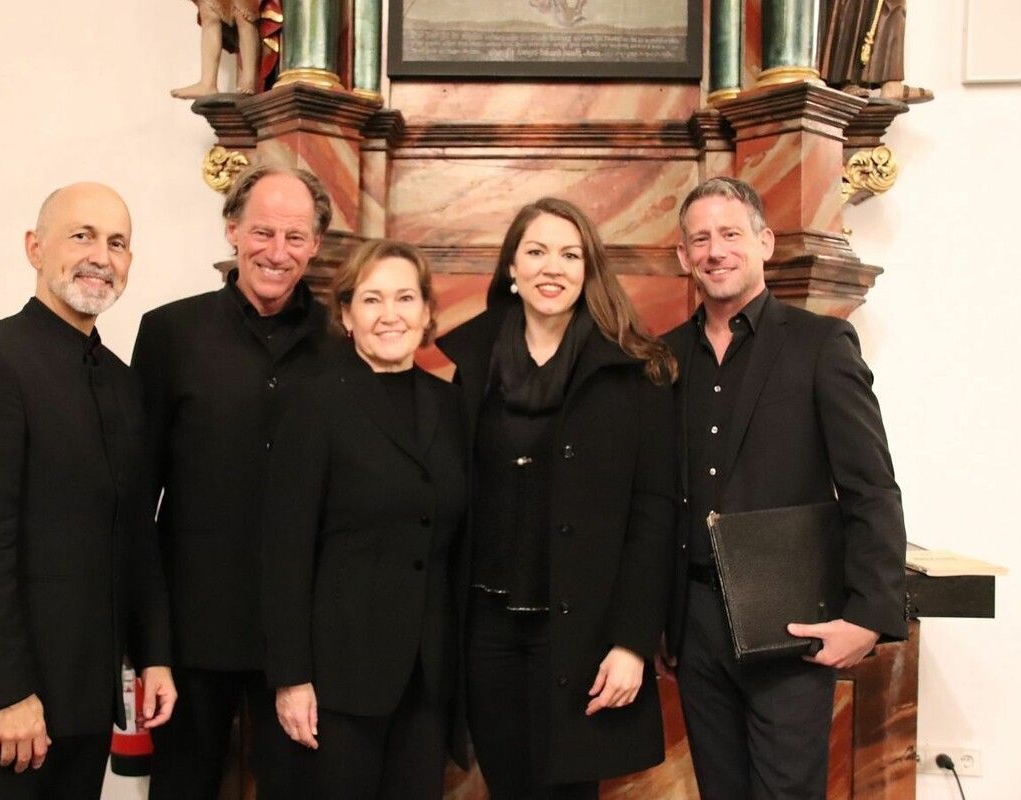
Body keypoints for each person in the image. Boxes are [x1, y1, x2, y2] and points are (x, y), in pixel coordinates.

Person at [0, 182, 176, 800]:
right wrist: (5, 693)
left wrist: (154, 655)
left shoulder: (121, 381)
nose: (101, 255)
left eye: (117, 243)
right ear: (36, 248)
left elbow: (133, 532)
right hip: (5, 712)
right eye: (81, 235)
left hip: (84, 707)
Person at [662, 176, 907, 799]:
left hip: (793, 622)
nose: (715, 250)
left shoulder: (820, 344)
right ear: (684, 256)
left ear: (764, 242)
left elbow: (870, 486)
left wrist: (869, 616)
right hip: (693, 624)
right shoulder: (661, 360)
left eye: (729, 234)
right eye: (700, 239)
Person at [437, 197, 678, 799]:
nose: (553, 267)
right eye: (536, 252)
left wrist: (631, 642)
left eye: (570, 254)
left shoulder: (634, 369)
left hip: (581, 633)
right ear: (511, 270)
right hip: (486, 628)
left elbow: (652, 518)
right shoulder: (470, 360)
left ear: (589, 270)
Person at [131, 163, 335, 800]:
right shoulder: (170, 333)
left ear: (317, 245)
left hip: (304, 641)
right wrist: (150, 648)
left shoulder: (343, 340)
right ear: (231, 231)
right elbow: (139, 498)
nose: (278, 252)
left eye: (295, 237)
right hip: (192, 634)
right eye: (263, 232)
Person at [261, 239, 466, 799]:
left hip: (426, 677)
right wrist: (291, 678)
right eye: (372, 300)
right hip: (337, 678)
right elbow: (284, 549)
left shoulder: (450, 406)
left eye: (405, 298)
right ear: (347, 315)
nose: (390, 314)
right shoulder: (316, 403)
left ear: (426, 313)